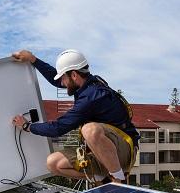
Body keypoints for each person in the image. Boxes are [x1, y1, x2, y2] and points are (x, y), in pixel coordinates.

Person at [11, 49, 139, 184]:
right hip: (101, 153)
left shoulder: (92, 97)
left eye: (63, 78)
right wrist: (33, 59)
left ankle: (118, 179)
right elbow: (56, 79)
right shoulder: (85, 84)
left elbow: (58, 128)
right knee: (53, 163)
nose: (62, 83)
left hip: (124, 150)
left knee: (89, 130)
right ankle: (103, 177)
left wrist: (27, 126)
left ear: (73, 75)